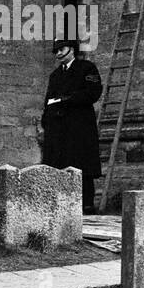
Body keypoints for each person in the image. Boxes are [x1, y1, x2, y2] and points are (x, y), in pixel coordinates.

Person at [42, 37, 103, 213]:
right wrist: (45, 120)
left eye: (62, 49)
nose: (58, 54)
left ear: (72, 49)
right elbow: (48, 100)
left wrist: (68, 99)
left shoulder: (86, 68)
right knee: (57, 163)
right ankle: (62, 204)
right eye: (56, 51)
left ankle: (87, 204)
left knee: (82, 164)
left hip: (79, 125)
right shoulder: (55, 75)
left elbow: (93, 92)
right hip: (58, 127)